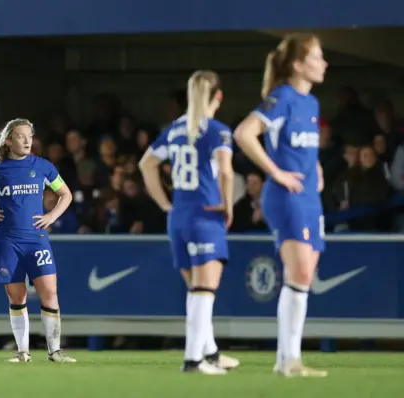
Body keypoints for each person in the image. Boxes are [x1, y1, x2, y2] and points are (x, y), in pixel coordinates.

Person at [233, 33, 328, 377]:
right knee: (299, 271)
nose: (325, 63)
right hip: (286, 196)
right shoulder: (283, 97)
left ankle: (287, 359)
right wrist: (276, 172)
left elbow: (302, 145)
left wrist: (314, 166)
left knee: (304, 276)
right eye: (318, 57)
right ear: (298, 65)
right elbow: (244, 133)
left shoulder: (311, 103)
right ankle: (288, 360)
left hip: (309, 197)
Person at [139, 70, 239, 375]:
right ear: (218, 96)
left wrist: (165, 204)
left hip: (178, 216)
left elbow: (146, 164)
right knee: (204, 290)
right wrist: (228, 203)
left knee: (197, 291)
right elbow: (225, 171)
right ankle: (193, 360)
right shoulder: (218, 131)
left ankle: (210, 354)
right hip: (204, 214)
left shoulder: (174, 130)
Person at [0, 118, 76, 363]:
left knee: (50, 293)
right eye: (21, 136)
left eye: (30, 136)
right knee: (17, 297)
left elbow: (65, 194)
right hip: (7, 240)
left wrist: (52, 216)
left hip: (36, 240)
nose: (27, 141)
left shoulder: (43, 166)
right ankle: (23, 352)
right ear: (8, 141)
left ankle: (54, 351)